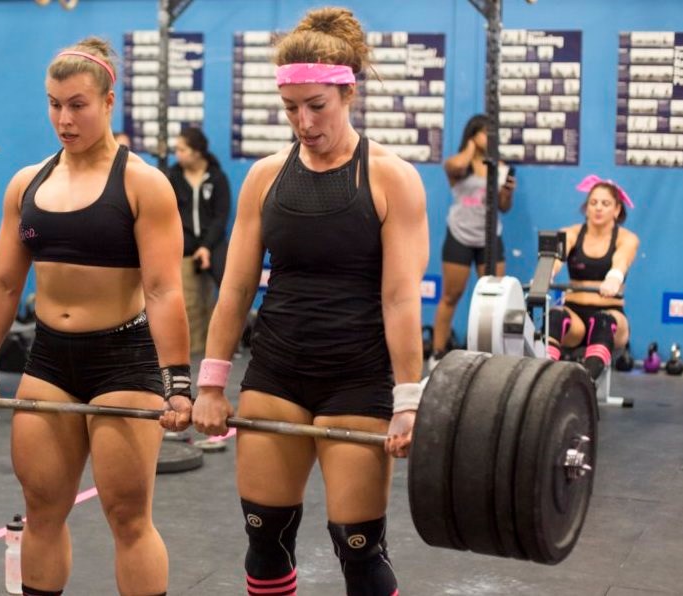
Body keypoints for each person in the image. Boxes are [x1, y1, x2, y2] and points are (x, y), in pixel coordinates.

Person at [185, 8, 428, 595]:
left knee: (359, 552)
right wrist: (212, 384)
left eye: (316, 105)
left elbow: (399, 300)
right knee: (265, 542)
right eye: (291, 107)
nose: (303, 120)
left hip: (357, 380)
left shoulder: (391, 178)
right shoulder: (266, 178)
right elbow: (237, 288)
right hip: (276, 376)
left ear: (348, 92)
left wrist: (408, 400)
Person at [0, 38, 192, 596]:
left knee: (127, 517)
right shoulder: (28, 184)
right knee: (41, 510)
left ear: (109, 101)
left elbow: (163, 290)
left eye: (77, 105)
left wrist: (179, 385)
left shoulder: (143, 184)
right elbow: (4, 281)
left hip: (124, 362)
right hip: (50, 360)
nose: (64, 119)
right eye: (54, 104)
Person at [429, 114, 516, 367]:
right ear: (473, 134)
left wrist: (507, 193)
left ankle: (492, 356)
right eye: (484, 133)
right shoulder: (459, 164)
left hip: (489, 237)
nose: (490, 138)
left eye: (492, 133)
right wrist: (470, 146)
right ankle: (437, 352)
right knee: (451, 295)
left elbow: (504, 207)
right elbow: (454, 167)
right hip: (460, 235)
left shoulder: (500, 167)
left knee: (495, 299)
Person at [546, 174, 639, 380]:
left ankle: (586, 384)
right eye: (593, 202)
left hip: (611, 314)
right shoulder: (569, 233)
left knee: (602, 320)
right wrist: (546, 274)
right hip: (575, 317)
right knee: (555, 316)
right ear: (586, 207)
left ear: (616, 210)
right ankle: (543, 381)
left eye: (605, 203)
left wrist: (614, 279)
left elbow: (621, 262)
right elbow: (554, 260)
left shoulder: (627, 238)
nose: (598, 208)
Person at [167, 126, 231, 354]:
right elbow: (168, 215)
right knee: (188, 303)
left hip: (213, 244)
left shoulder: (217, 177)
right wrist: (192, 246)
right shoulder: (171, 177)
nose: (177, 153)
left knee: (229, 291)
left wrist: (205, 247)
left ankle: (223, 347)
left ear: (196, 151)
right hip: (185, 246)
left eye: (182, 149)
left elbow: (221, 216)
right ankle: (192, 349)